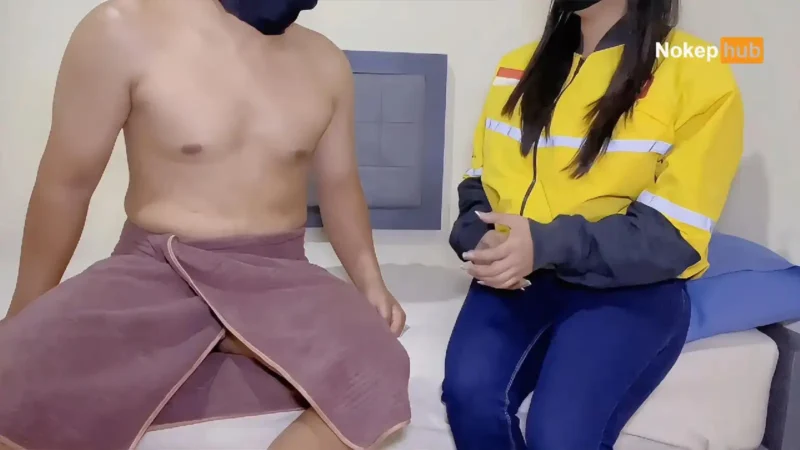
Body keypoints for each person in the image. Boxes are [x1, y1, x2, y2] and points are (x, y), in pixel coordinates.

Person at [0, 1, 410, 449]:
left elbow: (339, 185)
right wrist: (24, 312)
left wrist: (371, 282)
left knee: (378, 361)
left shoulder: (326, 62)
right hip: (154, 271)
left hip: (280, 278)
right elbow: (67, 185)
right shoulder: (122, 28)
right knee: (14, 379)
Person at [443, 0, 743, 448]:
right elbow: (478, 185)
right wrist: (481, 238)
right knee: (468, 396)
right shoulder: (516, 67)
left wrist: (546, 244)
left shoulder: (696, 71)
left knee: (557, 437)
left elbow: (673, 235)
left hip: (631, 286)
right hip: (520, 280)